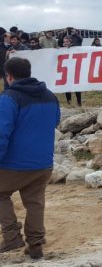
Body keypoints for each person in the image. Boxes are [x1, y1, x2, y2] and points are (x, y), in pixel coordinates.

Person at [0, 57, 60, 259]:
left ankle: (11, 236)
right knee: (34, 202)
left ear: (8, 76)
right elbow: (56, 121)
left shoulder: (9, 98)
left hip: (14, 164)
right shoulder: (50, 95)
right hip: (43, 163)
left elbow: (2, 133)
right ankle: (35, 244)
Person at [59, 37, 82, 107]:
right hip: (66, 71)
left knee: (77, 87)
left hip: (74, 70)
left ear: (70, 42)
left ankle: (79, 103)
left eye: (67, 41)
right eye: (64, 41)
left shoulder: (75, 49)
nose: (65, 43)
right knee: (67, 87)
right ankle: (69, 103)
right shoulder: (61, 50)